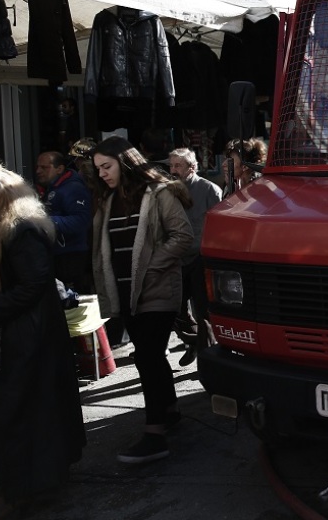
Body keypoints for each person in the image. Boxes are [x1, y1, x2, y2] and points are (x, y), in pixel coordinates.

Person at [0, 154, 85, 519]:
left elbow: (33, 285)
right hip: (16, 337)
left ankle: (20, 493)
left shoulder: (20, 229)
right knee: (17, 417)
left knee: (17, 418)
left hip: (26, 342)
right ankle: (24, 486)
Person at [90, 136, 193, 463]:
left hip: (158, 291)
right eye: (98, 169)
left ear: (125, 162)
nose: (103, 173)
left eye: (107, 166)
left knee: (146, 356)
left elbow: (183, 238)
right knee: (151, 355)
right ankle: (171, 409)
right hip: (126, 295)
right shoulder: (108, 200)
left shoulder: (160, 194)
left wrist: (148, 266)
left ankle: (155, 433)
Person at [167, 147, 222, 367]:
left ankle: (206, 356)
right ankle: (192, 341)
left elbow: (217, 226)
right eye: (171, 165)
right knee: (175, 308)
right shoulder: (168, 191)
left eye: (178, 165)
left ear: (192, 167)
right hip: (177, 257)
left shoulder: (209, 189)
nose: (173, 170)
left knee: (202, 310)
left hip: (199, 256)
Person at [34, 151, 94, 294]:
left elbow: (81, 221)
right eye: (38, 167)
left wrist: (44, 221)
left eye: (44, 167)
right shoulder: (52, 188)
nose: (38, 171)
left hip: (71, 255)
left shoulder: (73, 188)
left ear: (59, 169)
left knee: (73, 300)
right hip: (57, 253)